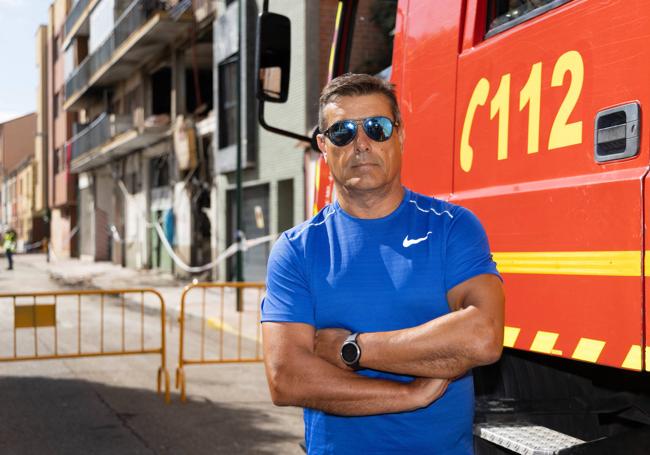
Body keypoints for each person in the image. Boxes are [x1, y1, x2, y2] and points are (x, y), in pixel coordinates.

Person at [261, 73, 505, 454]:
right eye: (342, 133)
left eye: (377, 128)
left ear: (400, 136)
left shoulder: (452, 227)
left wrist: (352, 349)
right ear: (323, 147)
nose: (361, 144)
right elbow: (287, 378)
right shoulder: (297, 249)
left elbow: (482, 337)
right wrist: (408, 395)